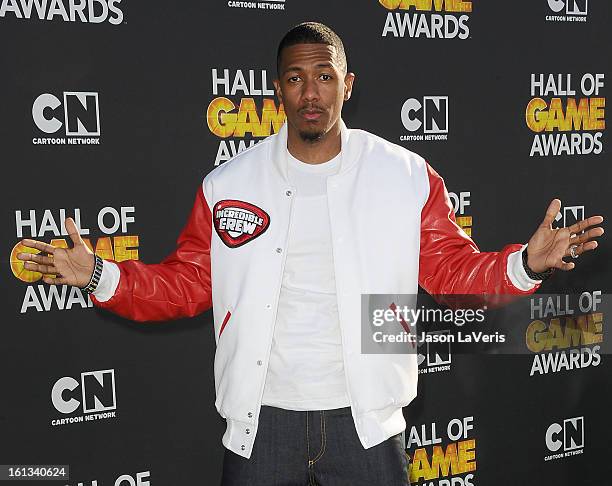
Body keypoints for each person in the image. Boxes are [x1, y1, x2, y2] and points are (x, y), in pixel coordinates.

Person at [17, 22, 603, 486]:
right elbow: (187, 285)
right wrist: (97, 274)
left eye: (324, 76)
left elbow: (449, 269)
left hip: (366, 421)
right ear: (278, 90)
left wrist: (524, 263)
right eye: (295, 78)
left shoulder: (404, 175)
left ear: (348, 83)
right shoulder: (228, 184)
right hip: (262, 420)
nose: (310, 92)